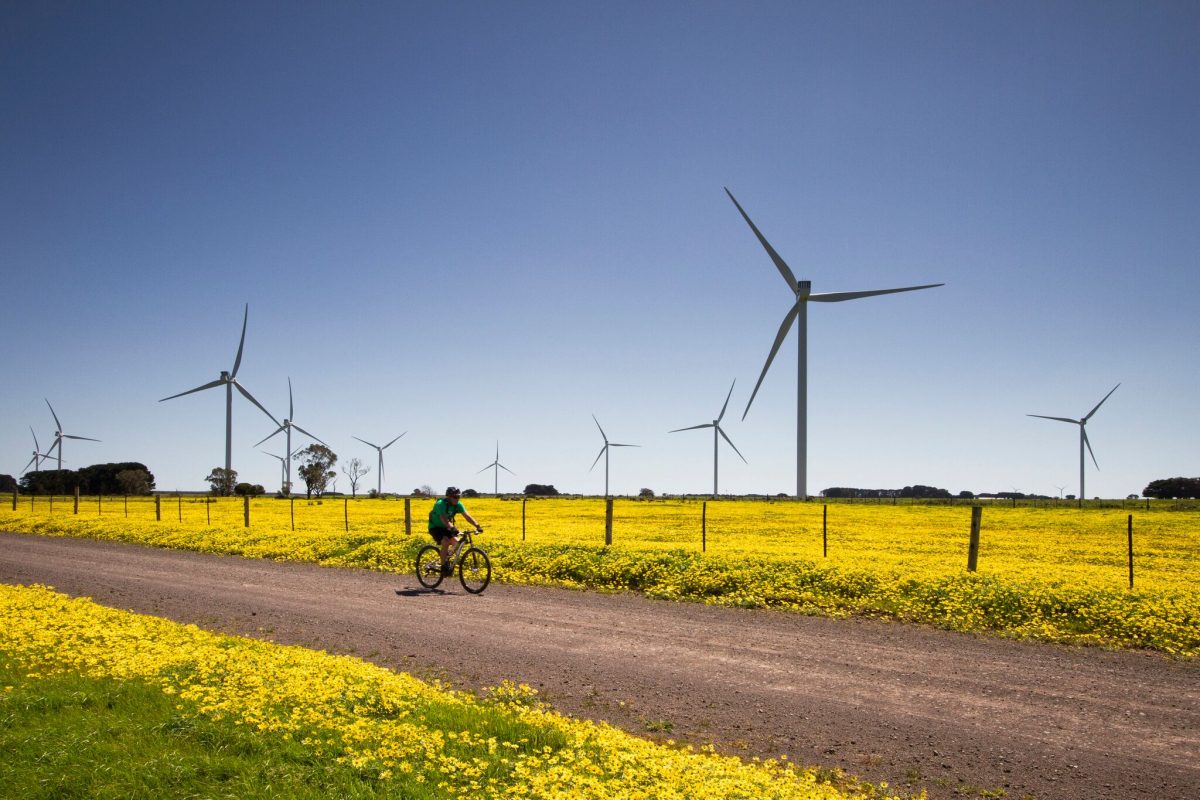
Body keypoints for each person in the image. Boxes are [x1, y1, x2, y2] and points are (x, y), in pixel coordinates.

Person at [428, 486, 482, 575]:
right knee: (445, 541)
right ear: (449, 497)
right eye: (455, 497)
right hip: (435, 527)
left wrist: (477, 525)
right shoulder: (440, 504)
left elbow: (467, 516)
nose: (457, 499)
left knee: (457, 542)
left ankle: (445, 557)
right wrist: (453, 528)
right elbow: (443, 519)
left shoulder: (458, 505)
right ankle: (443, 566)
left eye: (459, 497)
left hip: (446, 527)